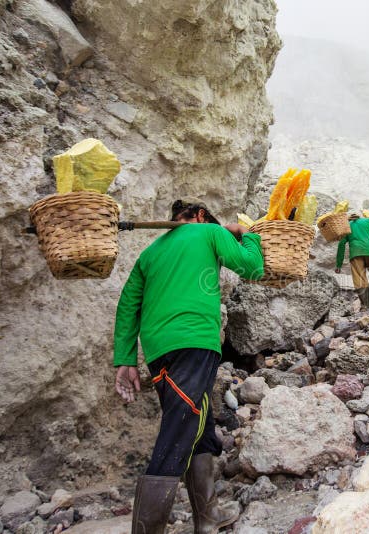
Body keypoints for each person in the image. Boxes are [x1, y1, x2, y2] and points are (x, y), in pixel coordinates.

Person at [113, 198, 264, 533]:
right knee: (179, 428)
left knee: (199, 422)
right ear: (199, 216)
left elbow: (127, 305)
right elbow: (253, 268)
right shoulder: (209, 231)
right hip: (195, 342)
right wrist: (247, 233)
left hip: (159, 352)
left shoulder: (149, 254)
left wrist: (125, 359)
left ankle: (208, 519)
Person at [334, 213, 369, 308]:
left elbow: (341, 244)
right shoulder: (367, 220)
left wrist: (339, 264)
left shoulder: (347, 226)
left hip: (356, 254)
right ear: (359, 216)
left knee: (359, 279)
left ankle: (364, 305)